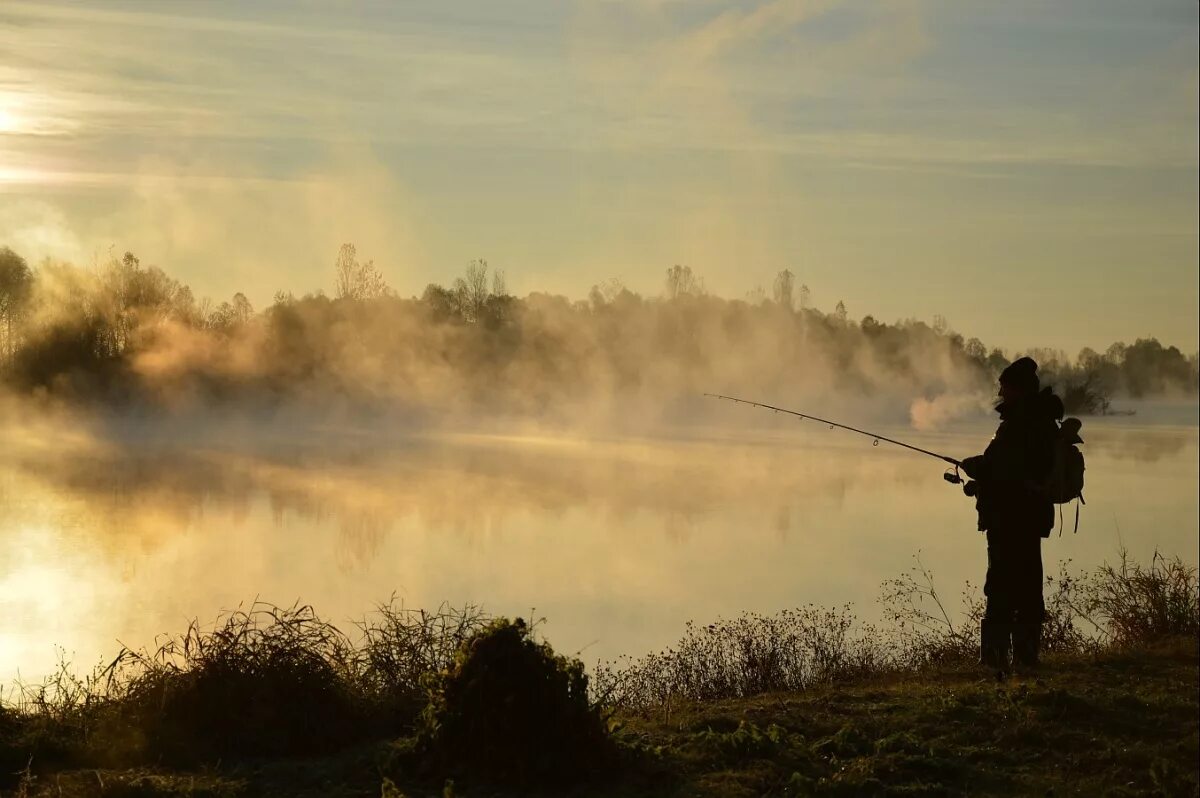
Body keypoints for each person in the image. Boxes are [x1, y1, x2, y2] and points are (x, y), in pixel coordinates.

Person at [961, 356, 1063, 671]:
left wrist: (974, 467)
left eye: (1004, 387)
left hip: (1009, 519)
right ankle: (1026, 658)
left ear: (1017, 389)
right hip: (1029, 518)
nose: (1001, 393)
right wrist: (982, 477)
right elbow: (1013, 470)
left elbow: (1001, 469)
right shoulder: (1041, 421)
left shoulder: (1020, 424)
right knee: (1029, 584)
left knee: (1000, 587)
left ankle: (994, 661)